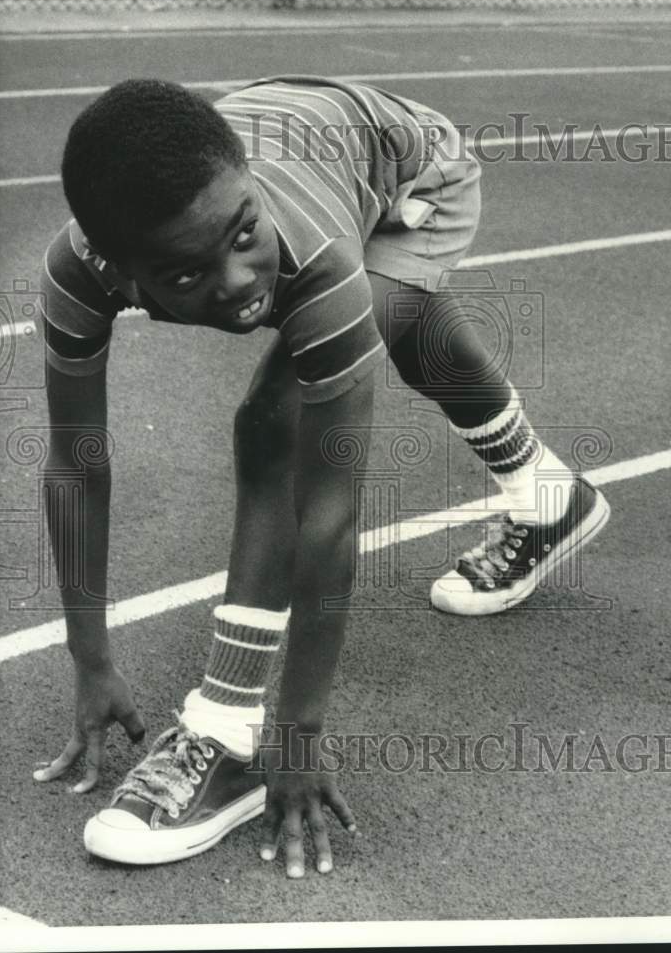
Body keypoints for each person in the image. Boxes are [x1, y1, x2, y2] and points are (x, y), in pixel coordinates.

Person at [34, 75, 610, 875]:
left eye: (242, 235)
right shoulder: (74, 271)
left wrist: (295, 732)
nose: (237, 285)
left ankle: (228, 733)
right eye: (185, 276)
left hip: (418, 172)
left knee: (276, 420)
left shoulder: (314, 261)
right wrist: (90, 659)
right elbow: (76, 466)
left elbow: (330, 514)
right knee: (397, 319)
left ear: (245, 191)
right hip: (324, 142)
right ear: (120, 273)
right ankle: (549, 493)